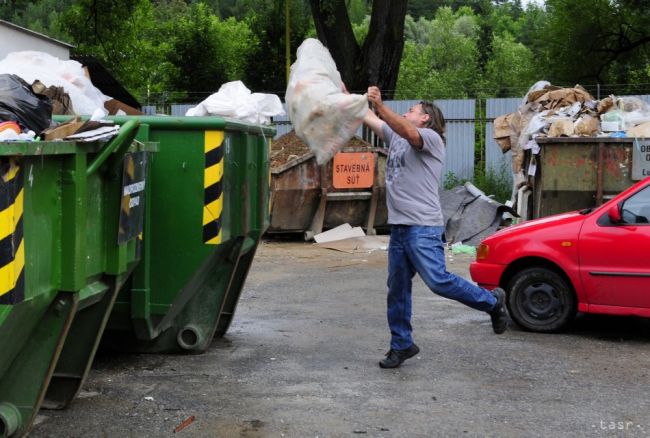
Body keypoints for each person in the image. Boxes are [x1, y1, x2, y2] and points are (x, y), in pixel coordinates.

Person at [362, 86, 509, 369]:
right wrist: (343, 93)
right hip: (400, 228)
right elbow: (366, 117)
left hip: (422, 227)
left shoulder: (430, 139)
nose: (407, 113)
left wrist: (381, 107)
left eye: (413, 110)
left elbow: (406, 131)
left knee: (438, 281)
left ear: (426, 118)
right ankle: (401, 345)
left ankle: (491, 301)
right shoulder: (397, 136)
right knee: (397, 289)